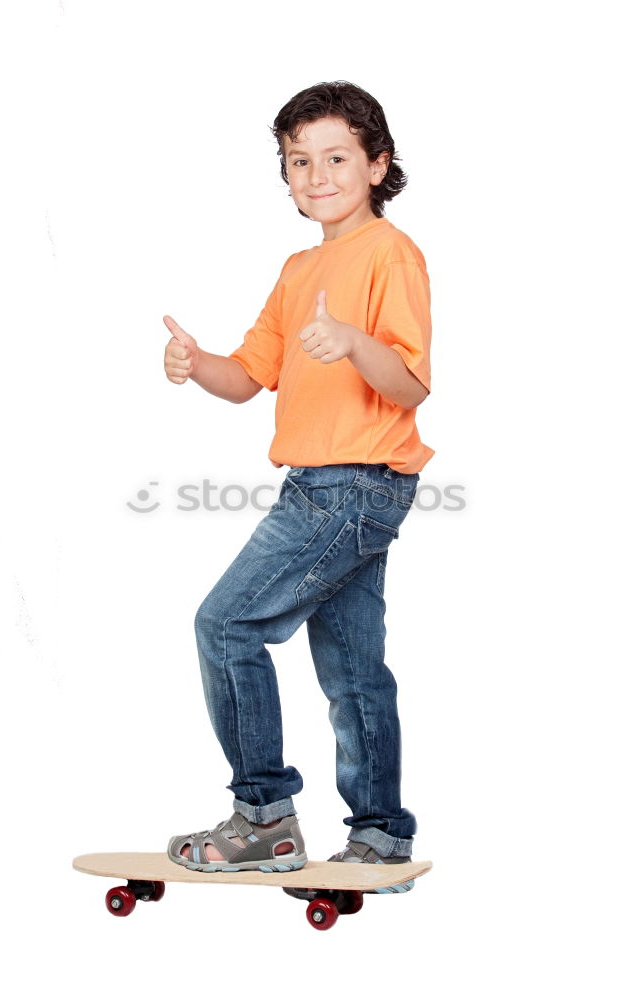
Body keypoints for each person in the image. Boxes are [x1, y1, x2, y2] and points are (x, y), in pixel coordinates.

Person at [162, 81, 433, 887]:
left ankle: (263, 818)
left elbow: (412, 384)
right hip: (322, 486)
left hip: (354, 484)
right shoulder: (298, 267)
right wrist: (196, 363)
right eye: (298, 161)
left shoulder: (392, 254)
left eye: (337, 157)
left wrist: (352, 341)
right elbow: (248, 377)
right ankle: (380, 834)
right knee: (353, 669)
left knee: (226, 626)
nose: (317, 175)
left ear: (379, 164)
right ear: (285, 174)